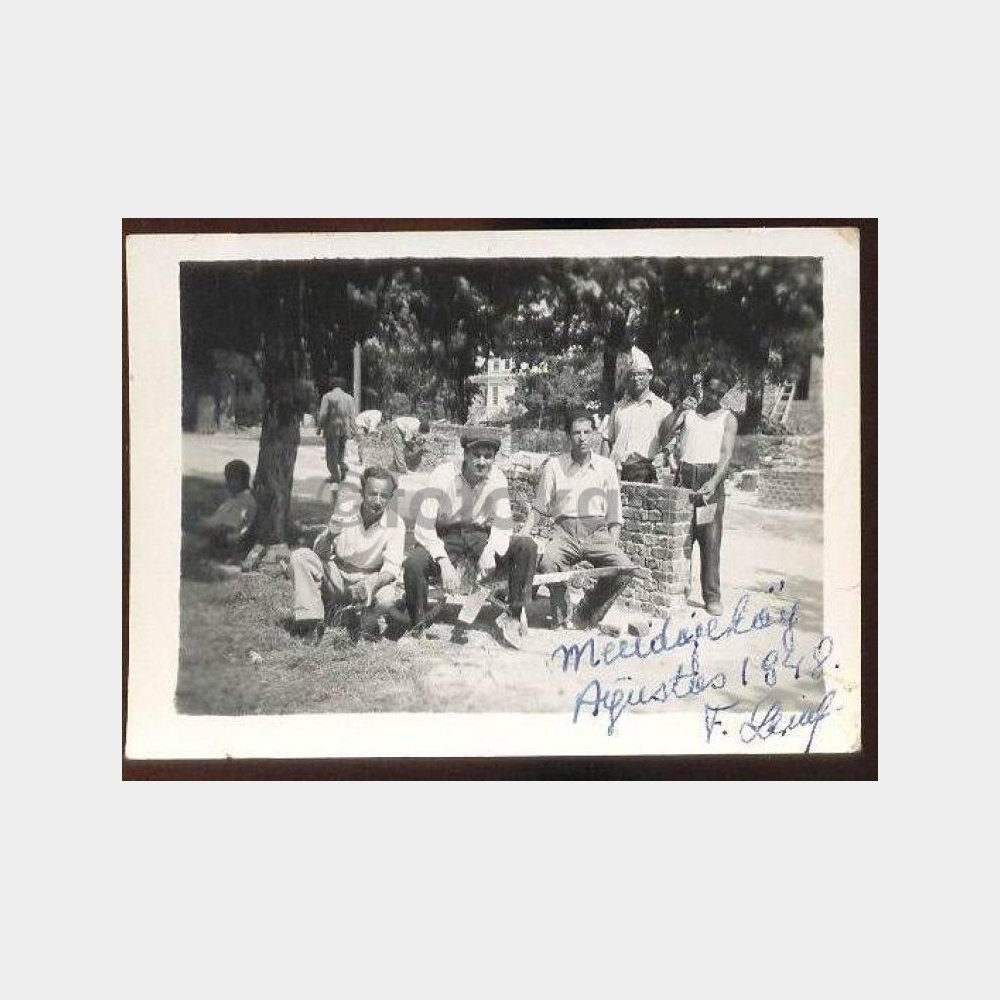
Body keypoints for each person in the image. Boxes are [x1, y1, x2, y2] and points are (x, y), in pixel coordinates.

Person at [402, 426, 537, 646]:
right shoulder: (443, 475)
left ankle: (513, 615)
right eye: (476, 455)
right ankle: (417, 626)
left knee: (526, 546)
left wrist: (490, 551)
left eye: (488, 456)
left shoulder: (497, 477)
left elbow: (504, 523)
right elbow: (423, 527)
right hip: (445, 535)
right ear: (465, 454)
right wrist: (443, 561)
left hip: (477, 535)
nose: (482, 462)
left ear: (494, 458)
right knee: (414, 562)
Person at [522, 409, 635, 629]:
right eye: (576, 433)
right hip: (564, 534)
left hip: (597, 534)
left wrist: (612, 543)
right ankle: (563, 616)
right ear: (568, 436)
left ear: (593, 434)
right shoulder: (555, 465)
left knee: (624, 569)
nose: (582, 438)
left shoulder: (606, 467)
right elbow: (539, 506)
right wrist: (523, 533)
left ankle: (587, 611)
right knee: (548, 562)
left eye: (587, 432)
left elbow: (614, 513)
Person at [286, 466, 405, 644]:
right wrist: (329, 536)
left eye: (384, 496)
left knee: (387, 598)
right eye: (373, 494)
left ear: (391, 497)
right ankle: (310, 623)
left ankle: (364, 622)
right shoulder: (345, 509)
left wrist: (371, 584)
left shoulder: (396, 523)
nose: (378, 501)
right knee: (300, 557)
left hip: (369, 579)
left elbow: (392, 568)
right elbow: (321, 554)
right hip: (338, 575)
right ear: (362, 492)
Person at [658, 368, 738, 616]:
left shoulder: (728, 419)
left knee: (709, 539)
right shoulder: (688, 412)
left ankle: (712, 596)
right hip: (684, 478)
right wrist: (678, 410)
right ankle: (678, 589)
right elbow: (663, 436)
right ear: (703, 386)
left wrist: (713, 482)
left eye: (719, 393)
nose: (714, 396)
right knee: (681, 536)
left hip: (709, 484)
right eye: (710, 390)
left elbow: (726, 455)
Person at [604, 346, 673, 482]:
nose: (636, 378)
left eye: (641, 374)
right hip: (617, 472)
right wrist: (603, 468)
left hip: (646, 473)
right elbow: (607, 439)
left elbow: (671, 440)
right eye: (632, 374)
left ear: (650, 375)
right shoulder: (618, 408)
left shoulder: (663, 408)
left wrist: (663, 455)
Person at [183, 459, 257, 559]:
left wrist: (199, 527)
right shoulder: (236, 499)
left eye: (231, 479)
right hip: (214, 536)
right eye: (227, 479)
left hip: (221, 544)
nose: (227, 483)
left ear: (241, 479)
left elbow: (227, 528)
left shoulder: (244, 502)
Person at [316, 376, 357, 484]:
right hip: (345, 430)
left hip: (332, 429)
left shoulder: (327, 397)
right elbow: (352, 416)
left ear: (332, 385)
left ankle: (335, 476)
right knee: (340, 453)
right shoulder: (349, 398)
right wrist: (354, 430)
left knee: (331, 455)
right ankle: (342, 469)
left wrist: (319, 427)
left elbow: (323, 414)